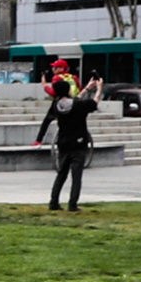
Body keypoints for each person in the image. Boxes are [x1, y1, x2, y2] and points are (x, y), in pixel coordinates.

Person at [35, 71, 98, 211]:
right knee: (76, 176)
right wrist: (99, 89)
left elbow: (47, 121)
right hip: (78, 143)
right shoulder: (77, 105)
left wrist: (39, 139)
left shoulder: (56, 105)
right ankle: (72, 204)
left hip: (63, 143)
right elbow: (93, 103)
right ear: (68, 89)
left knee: (61, 174)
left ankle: (53, 202)